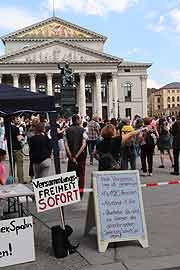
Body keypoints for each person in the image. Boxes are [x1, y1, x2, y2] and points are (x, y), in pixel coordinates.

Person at [64, 114, 88, 199]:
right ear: (77, 120)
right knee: (81, 175)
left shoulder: (67, 130)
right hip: (81, 156)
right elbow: (84, 144)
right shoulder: (83, 130)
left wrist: (71, 155)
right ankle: (80, 193)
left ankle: (71, 193)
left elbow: (66, 144)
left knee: (71, 174)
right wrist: (77, 155)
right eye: (80, 119)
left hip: (71, 156)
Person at [11, 116, 24, 183]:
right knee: (19, 165)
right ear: (13, 120)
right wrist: (22, 136)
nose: (18, 120)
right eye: (16, 119)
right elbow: (19, 139)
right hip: (17, 149)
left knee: (11, 166)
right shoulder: (16, 128)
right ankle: (21, 181)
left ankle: (11, 181)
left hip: (10, 148)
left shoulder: (8, 128)